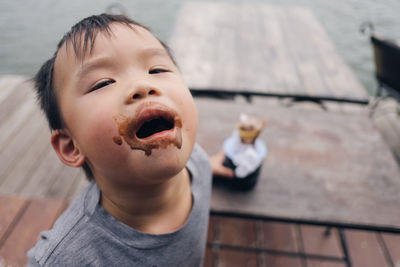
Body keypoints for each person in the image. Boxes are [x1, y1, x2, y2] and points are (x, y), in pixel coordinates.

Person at [27, 13, 233, 266]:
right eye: (102, 83)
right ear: (71, 146)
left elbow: (198, 160)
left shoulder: (198, 163)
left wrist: (209, 165)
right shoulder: (67, 258)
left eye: (157, 69)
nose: (142, 85)